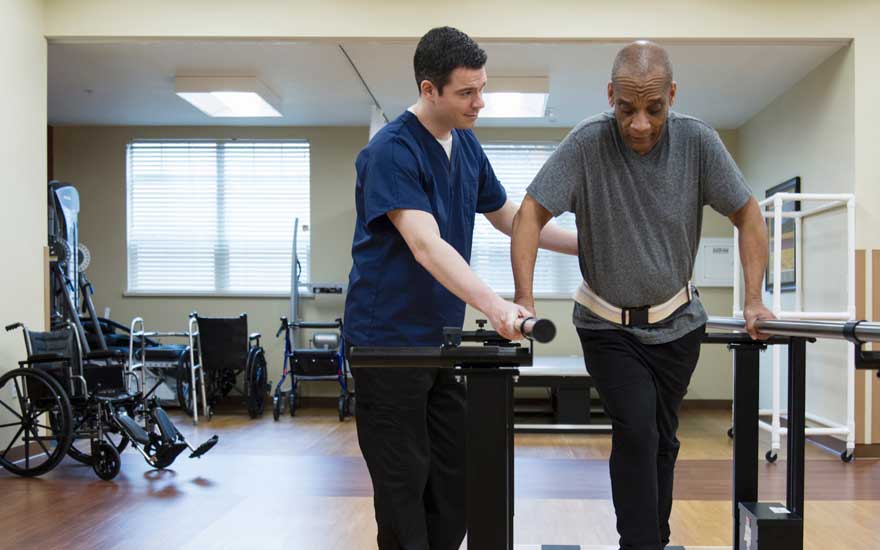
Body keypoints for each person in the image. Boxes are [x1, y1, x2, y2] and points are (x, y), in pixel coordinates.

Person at [510, 40, 775, 550]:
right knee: (635, 431)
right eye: (626, 108)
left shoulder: (698, 142)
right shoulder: (586, 143)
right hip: (606, 324)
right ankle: (639, 543)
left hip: (678, 324)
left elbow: (747, 213)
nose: (639, 124)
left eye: (654, 109)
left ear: (672, 95)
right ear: (610, 95)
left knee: (662, 439)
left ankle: (654, 538)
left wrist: (755, 299)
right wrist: (525, 297)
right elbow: (529, 216)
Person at [343, 26, 577, 550]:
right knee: (405, 493)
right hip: (387, 345)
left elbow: (509, 216)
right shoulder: (391, 150)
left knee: (453, 488)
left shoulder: (466, 145)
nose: (480, 102)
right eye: (467, 92)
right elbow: (425, 245)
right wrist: (497, 306)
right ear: (430, 90)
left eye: (482, 88)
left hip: (439, 343)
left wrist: (586, 246)